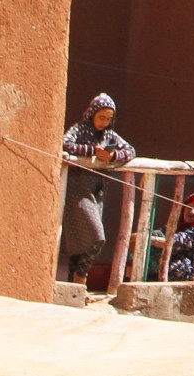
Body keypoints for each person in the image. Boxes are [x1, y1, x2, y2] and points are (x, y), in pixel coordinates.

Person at [58, 92, 136, 284]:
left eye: (108, 119)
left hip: (97, 192)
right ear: (92, 113)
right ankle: (80, 280)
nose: (104, 122)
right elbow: (65, 143)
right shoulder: (80, 129)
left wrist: (112, 156)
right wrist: (92, 151)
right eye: (101, 117)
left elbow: (130, 150)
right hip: (79, 190)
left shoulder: (109, 135)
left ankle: (74, 288)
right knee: (96, 237)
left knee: (85, 242)